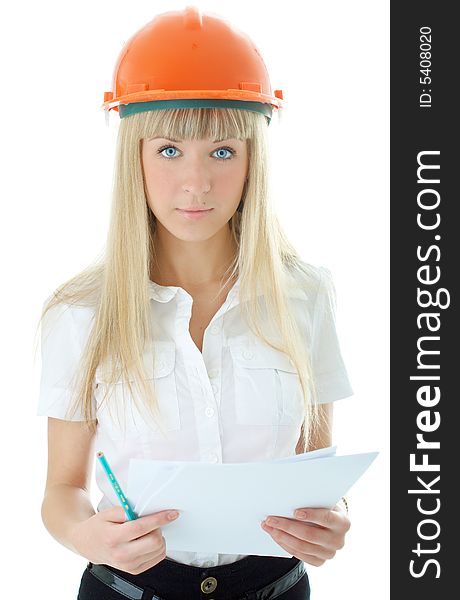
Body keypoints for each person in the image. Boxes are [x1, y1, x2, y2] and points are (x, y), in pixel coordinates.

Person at [37, 6, 354, 599]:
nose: (197, 182)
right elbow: (61, 491)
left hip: (274, 589)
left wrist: (330, 519)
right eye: (169, 149)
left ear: (253, 157)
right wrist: (86, 535)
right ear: (134, 154)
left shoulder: (305, 297)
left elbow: (317, 474)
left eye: (223, 151)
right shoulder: (80, 313)